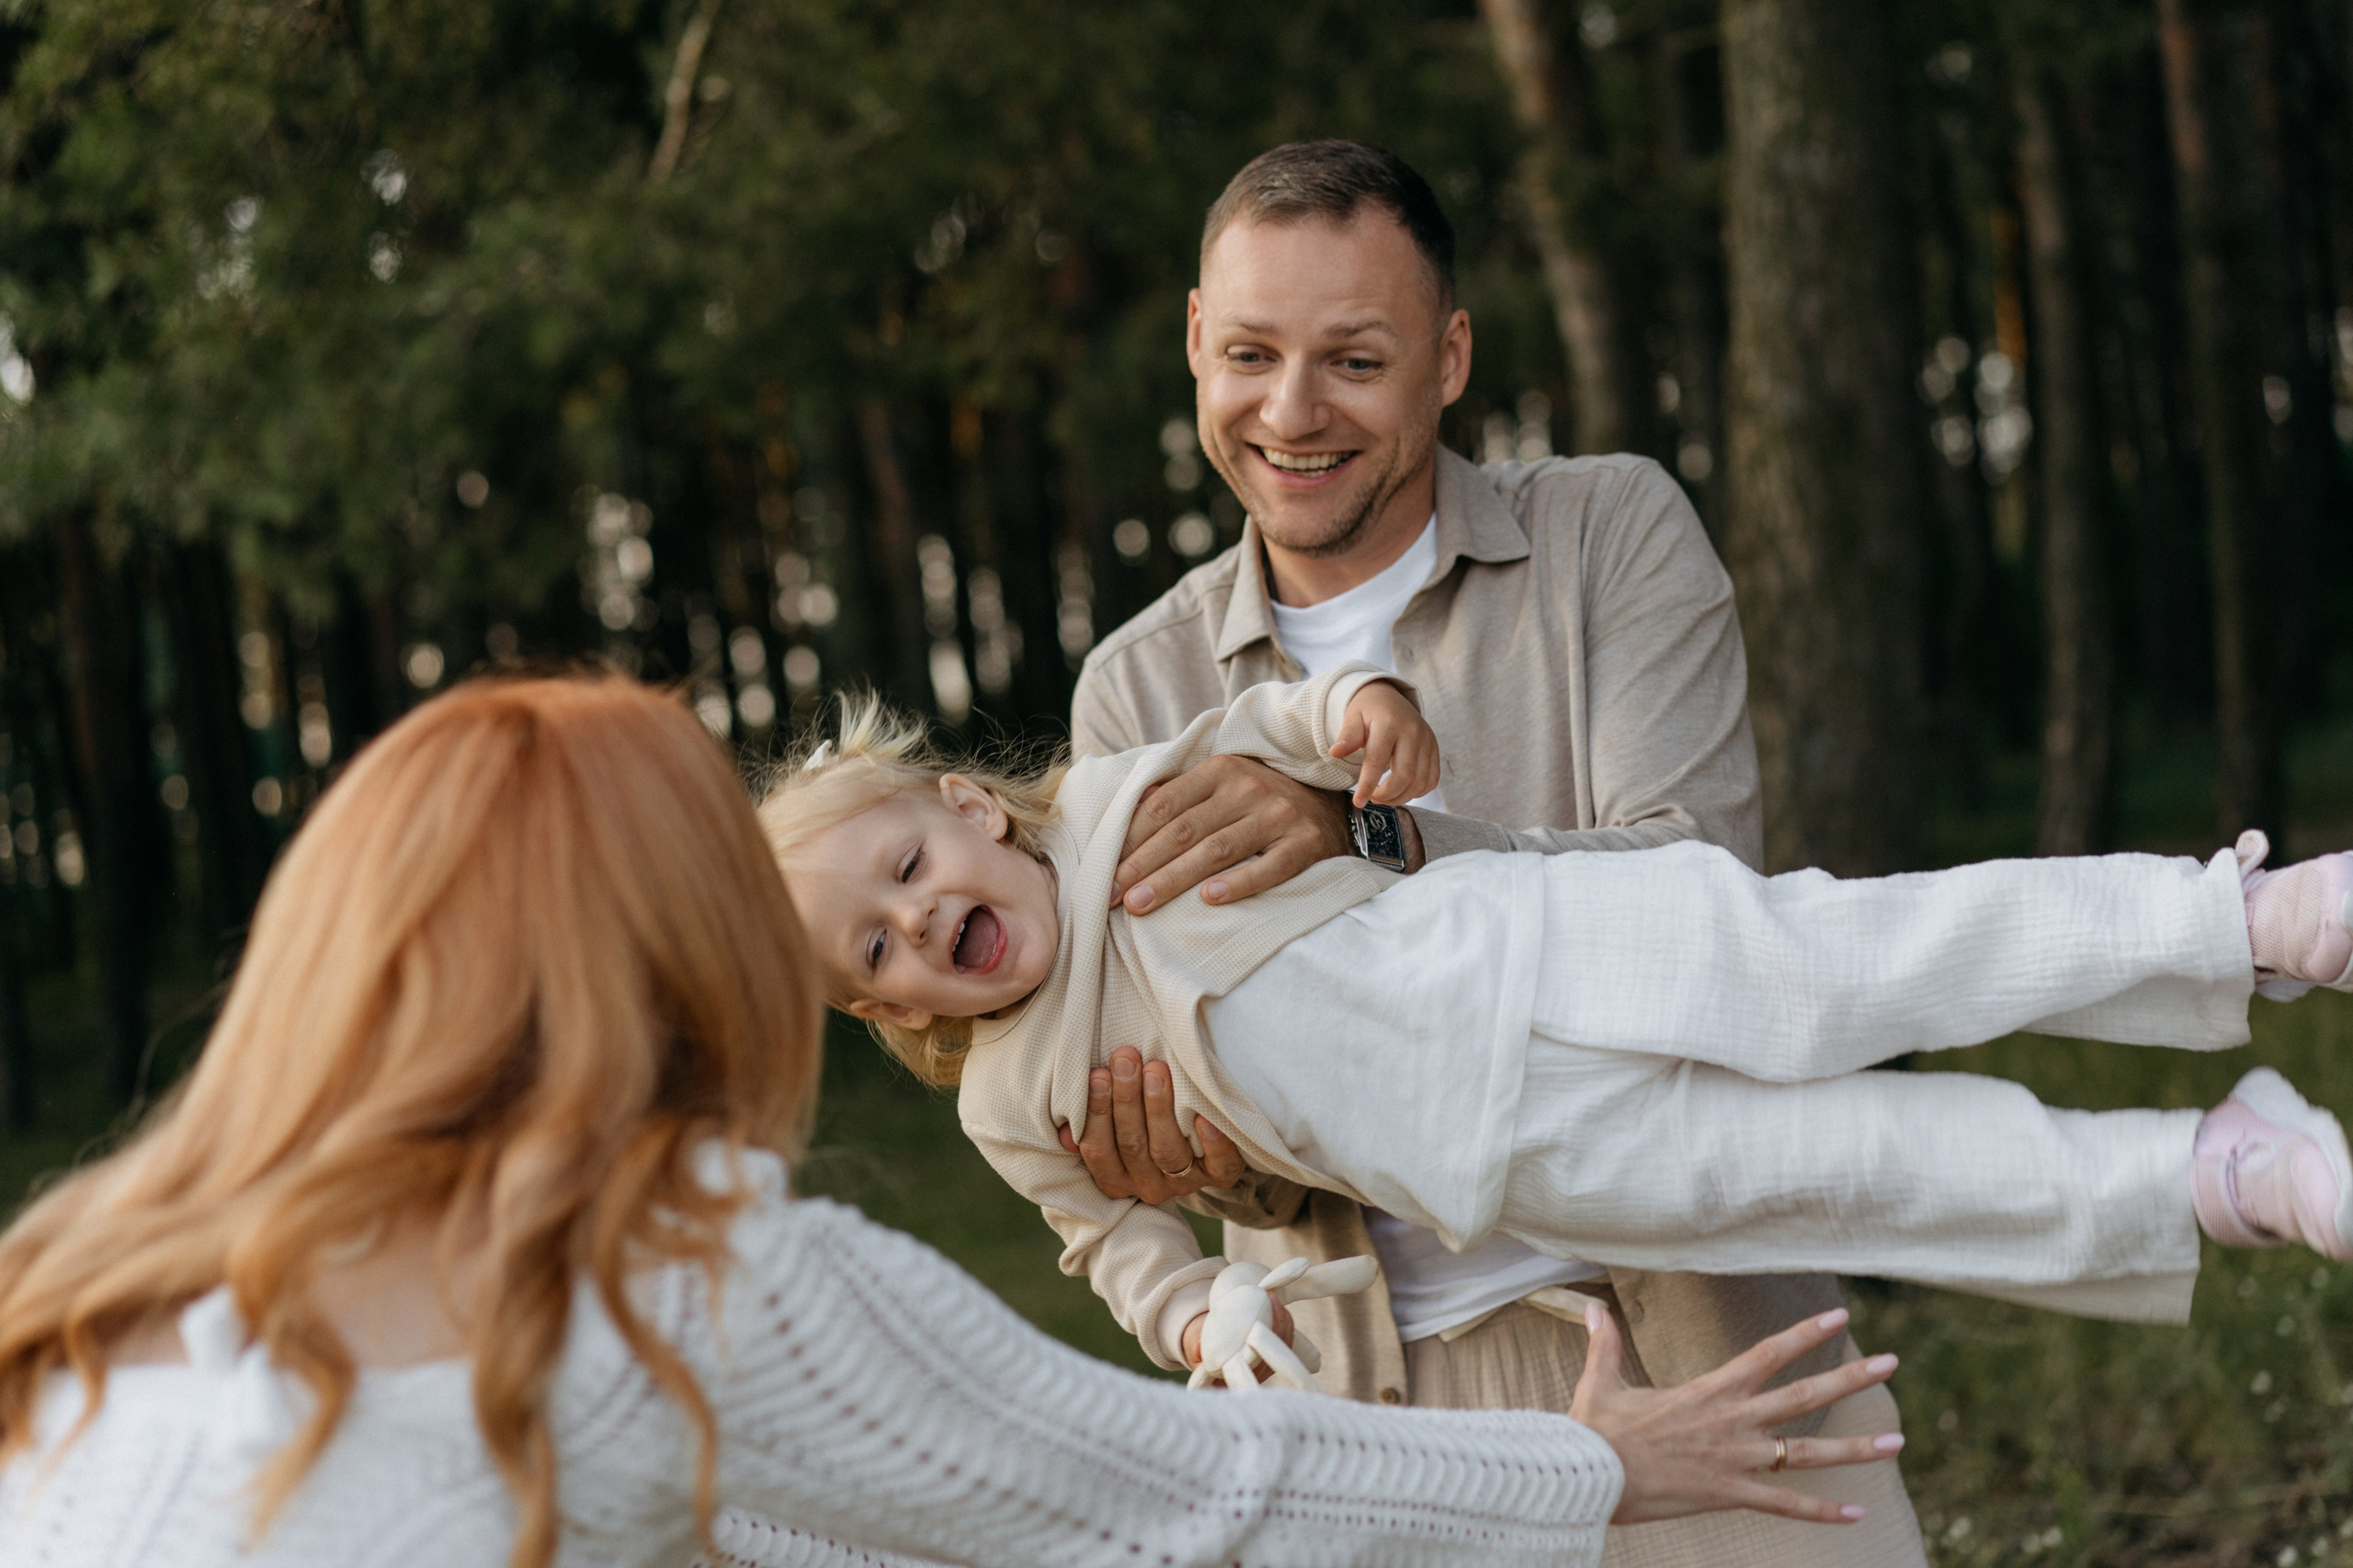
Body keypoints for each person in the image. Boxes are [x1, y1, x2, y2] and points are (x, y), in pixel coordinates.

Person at [0, 674, 1904, 1568]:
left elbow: (794, 1518)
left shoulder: (96, 1289)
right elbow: (1185, 1499)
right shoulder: (687, 1278)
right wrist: (1594, 1472)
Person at [1066, 135, 1907, 1566]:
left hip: (1700, 1348)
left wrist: (1371, 838)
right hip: (1370, 1430)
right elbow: (1208, 1089)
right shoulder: (1134, 696)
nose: (1291, 410)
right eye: (1252, 353)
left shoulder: (1612, 535)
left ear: (1450, 358)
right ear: (1196, 343)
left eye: (1354, 358)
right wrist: (1197, 1159)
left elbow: (1694, 897)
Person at [760, 669, 2353, 1375]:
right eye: (876, 955)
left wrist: (1361, 718)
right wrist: (1200, 1314)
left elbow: (1280, 721)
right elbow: (1110, 1249)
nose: (918, 928)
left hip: (1531, 943)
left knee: (1855, 955)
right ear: (875, 1007)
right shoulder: (1006, 1105)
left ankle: (2244, 921)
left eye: (908, 869)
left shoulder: (1118, 794)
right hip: (1510, 1152)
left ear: (971, 807)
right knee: (1841, 1168)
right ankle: (2216, 1170)